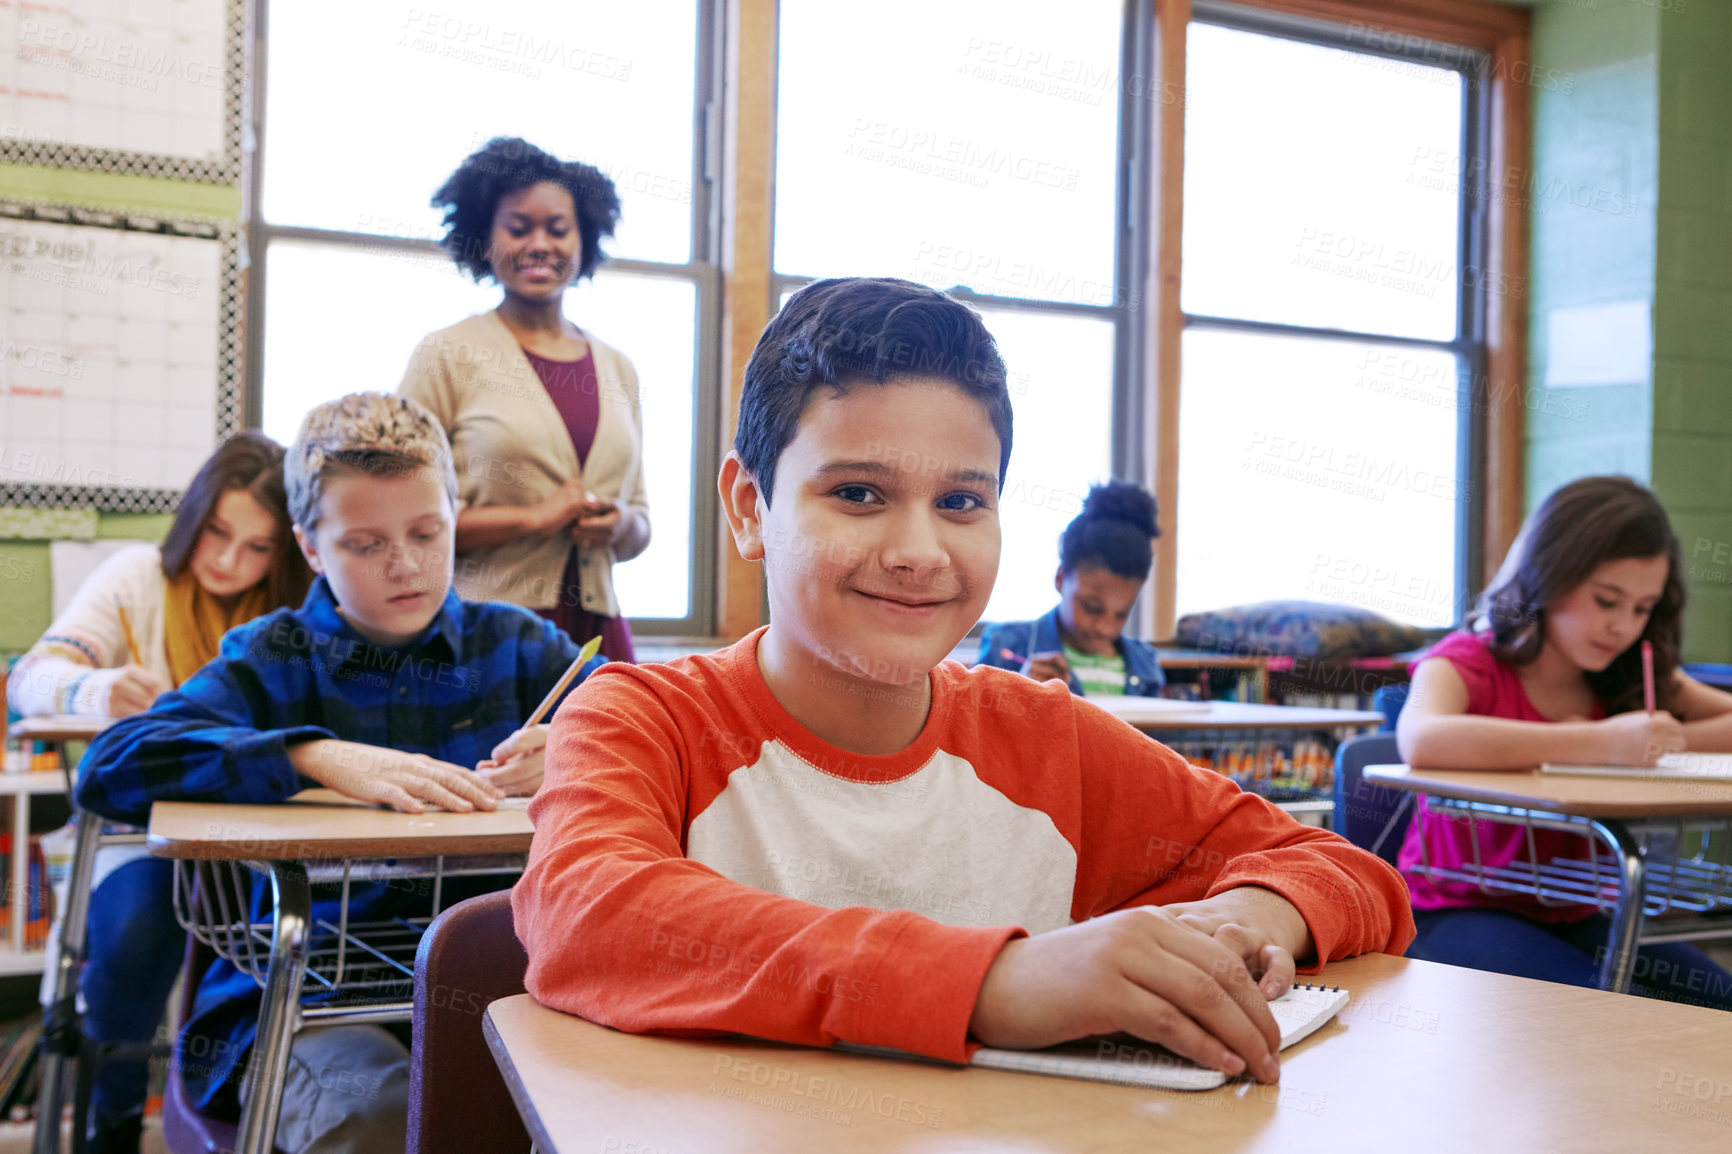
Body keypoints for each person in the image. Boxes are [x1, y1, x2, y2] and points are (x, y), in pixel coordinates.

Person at [513, 278, 1413, 1084]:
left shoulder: (1048, 743)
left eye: (961, 502)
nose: (917, 553)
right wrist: (995, 982)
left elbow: (1341, 868)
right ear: (752, 507)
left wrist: (1244, 921)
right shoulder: (645, 718)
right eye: (858, 493)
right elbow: (586, 913)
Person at [75, 393, 604, 1153]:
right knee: (382, 1119)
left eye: (428, 531)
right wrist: (312, 756)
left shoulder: (522, 649)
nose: (406, 564)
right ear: (312, 547)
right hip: (308, 1004)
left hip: (506, 989)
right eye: (364, 543)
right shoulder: (270, 657)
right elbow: (110, 766)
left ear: (456, 511)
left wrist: (580, 745)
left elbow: (666, 740)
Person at [7, 432, 310, 1154]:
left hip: (265, 839)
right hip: (142, 834)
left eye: (259, 548)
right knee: (134, 936)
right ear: (193, 516)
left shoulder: (296, 613)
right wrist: (99, 686)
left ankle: (250, 1119)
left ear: (288, 552)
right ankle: (113, 1121)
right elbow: (29, 680)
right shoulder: (137, 576)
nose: (231, 563)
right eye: (218, 532)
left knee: (294, 952)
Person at [1396, 475, 1732, 1009]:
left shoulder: (1625, 673)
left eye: (1643, 609)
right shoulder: (1469, 660)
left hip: (1578, 910)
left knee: (1716, 1003)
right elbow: (1422, 739)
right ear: (1550, 574)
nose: (1623, 626)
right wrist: (1599, 741)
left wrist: (1659, 741)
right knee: (1618, 1017)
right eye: (1607, 600)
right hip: (1451, 909)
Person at [400, 135, 649, 661]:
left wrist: (621, 524)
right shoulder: (445, 355)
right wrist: (534, 518)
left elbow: (641, 521)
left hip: (599, 634)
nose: (540, 243)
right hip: (484, 637)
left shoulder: (617, 368)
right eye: (519, 228)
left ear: (584, 241)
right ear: (485, 241)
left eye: (558, 229)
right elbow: (404, 518)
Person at [975, 480, 1165, 695]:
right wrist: (1020, 694)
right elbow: (970, 719)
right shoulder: (1008, 647)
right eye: (1091, 608)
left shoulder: (1145, 662)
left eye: (1122, 614)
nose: (1105, 627)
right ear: (1061, 579)